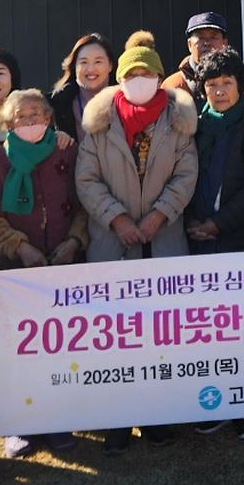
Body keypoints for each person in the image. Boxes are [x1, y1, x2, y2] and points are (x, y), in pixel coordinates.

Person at [75, 35, 198, 453]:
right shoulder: (99, 120)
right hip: (113, 242)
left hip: (163, 239)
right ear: (120, 78)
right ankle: (116, 420)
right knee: (115, 336)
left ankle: (158, 417)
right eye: (131, 74)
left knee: (161, 334)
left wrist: (159, 214)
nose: (138, 79)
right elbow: (86, 180)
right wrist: (118, 218)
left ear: (160, 77)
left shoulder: (180, 119)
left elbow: (186, 174)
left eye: (146, 73)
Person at [0, 88, 85, 457]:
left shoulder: (68, 151)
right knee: (15, 349)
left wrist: (73, 241)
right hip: (12, 272)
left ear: (50, 119)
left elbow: (85, 202)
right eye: (22, 115)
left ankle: (56, 421)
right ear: (8, 123)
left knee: (58, 348)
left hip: (61, 267)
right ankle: (17, 426)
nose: (32, 120)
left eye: (38, 114)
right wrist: (20, 246)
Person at [186, 47, 244, 442]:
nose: (219, 92)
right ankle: (215, 402)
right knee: (210, 331)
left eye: (226, 84)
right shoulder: (194, 125)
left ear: (241, 87)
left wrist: (218, 224)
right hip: (202, 243)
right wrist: (193, 222)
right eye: (212, 85)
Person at [163, 12, 244, 106]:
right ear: (189, 45)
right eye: (200, 37)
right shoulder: (172, 85)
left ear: (225, 43)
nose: (207, 43)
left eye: (213, 37)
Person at [49, 32, 117, 142]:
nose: (90, 69)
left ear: (110, 65)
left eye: (98, 61)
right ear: (74, 66)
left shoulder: (126, 102)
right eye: (84, 62)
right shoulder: (54, 105)